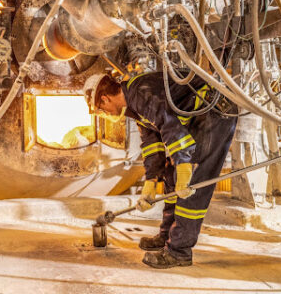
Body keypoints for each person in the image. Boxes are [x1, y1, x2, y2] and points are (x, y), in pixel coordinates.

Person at [83, 71, 237, 268]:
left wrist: (183, 165)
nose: (104, 113)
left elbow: (169, 125)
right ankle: (167, 237)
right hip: (200, 115)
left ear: (104, 98)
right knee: (171, 175)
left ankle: (179, 252)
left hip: (214, 112)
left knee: (192, 182)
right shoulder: (134, 105)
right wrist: (151, 181)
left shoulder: (140, 92)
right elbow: (152, 145)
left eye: (100, 108)